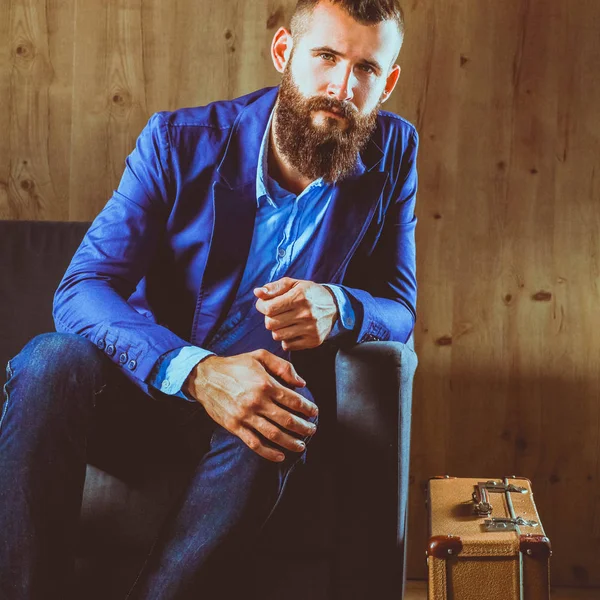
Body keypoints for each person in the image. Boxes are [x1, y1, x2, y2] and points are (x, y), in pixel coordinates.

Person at [0, 0, 418, 598]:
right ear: (284, 53)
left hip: (255, 419)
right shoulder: (178, 141)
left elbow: (400, 309)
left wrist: (342, 306)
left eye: (366, 70)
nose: (342, 86)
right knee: (49, 360)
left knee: (280, 422)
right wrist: (195, 372)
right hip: (146, 390)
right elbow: (82, 288)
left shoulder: (394, 152)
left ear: (388, 80)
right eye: (326, 56)